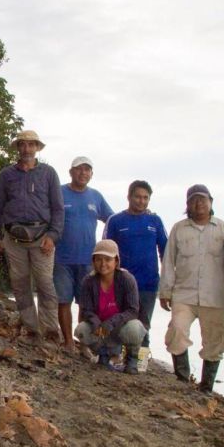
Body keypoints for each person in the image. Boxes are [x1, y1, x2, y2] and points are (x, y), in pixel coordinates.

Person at [0, 130, 64, 341]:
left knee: (45, 284)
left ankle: (50, 331)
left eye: (31, 145)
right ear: (18, 147)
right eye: (23, 144)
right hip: (13, 238)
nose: (27, 149)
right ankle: (31, 330)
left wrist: (53, 235)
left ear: (38, 148)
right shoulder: (7, 175)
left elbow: (58, 209)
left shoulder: (49, 173)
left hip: (42, 237)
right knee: (20, 284)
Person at [159, 184, 224, 388]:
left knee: (214, 340)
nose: (199, 203)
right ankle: (183, 380)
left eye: (203, 199)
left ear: (211, 202)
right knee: (177, 331)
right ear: (187, 204)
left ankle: (207, 386)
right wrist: (165, 291)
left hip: (215, 295)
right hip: (183, 294)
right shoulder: (179, 229)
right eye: (193, 200)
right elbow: (168, 261)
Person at [104, 180, 168, 365]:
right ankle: (114, 357)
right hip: (120, 283)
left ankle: (139, 361)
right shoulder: (116, 221)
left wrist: (167, 280)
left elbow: (165, 251)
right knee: (117, 320)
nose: (141, 201)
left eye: (145, 198)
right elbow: (106, 250)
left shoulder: (154, 221)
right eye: (137, 197)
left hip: (148, 283)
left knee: (143, 324)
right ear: (129, 197)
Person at [54, 157, 114, 348]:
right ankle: (68, 341)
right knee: (63, 300)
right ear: (71, 172)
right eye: (79, 169)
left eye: (87, 170)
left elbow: (112, 220)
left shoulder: (96, 196)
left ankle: (82, 343)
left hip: (89, 260)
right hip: (61, 258)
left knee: (85, 304)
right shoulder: (59, 192)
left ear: (91, 174)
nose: (83, 173)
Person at [74, 240, 147, 373]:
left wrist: (112, 322)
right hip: (100, 327)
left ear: (116, 261)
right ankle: (103, 354)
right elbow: (86, 309)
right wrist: (96, 322)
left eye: (108, 259)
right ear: (93, 261)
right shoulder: (88, 281)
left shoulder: (127, 279)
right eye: (99, 259)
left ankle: (131, 359)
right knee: (82, 330)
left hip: (121, 326)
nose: (103, 264)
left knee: (134, 328)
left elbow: (133, 310)